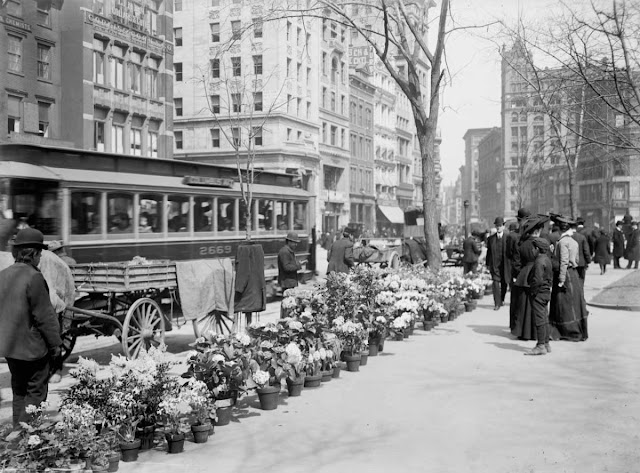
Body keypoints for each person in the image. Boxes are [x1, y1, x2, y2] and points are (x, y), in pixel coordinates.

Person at [0, 228, 62, 426]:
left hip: (10, 348)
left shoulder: (3, 275)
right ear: (34, 253)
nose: (40, 258)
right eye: (40, 254)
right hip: (33, 350)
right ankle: (27, 438)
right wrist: (56, 345)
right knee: (35, 393)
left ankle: (16, 434)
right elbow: (44, 316)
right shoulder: (34, 277)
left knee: (19, 391)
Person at [549, 217, 588, 342]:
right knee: (574, 302)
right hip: (573, 274)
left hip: (564, 274)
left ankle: (566, 330)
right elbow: (575, 260)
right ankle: (576, 329)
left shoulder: (560, 240)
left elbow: (563, 262)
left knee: (563, 303)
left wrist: (561, 278)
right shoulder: (574, 240)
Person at [511, 215, 549, 340]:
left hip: (523, 276)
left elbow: (516, 263)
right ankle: (536, 334)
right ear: (537, 231)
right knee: (536, 307)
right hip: (537, 275)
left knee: (523, 306)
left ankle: (523, 332)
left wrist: (519, 273)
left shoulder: (521, 243)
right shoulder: (542, 243)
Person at [524, 237, 553, 356]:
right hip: (546, 292)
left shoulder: (539, 262)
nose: (532, 251)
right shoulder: (546, 259)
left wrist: (533, 292)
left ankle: (540, 345)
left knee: (540, 319)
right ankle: (546, 343)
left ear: (537, 249)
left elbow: (537, 280)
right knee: (544, 317)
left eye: (533, 248)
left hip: (539, 293)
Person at [486, 217, 511, 310]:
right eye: (497, 226)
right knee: (495, 283)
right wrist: (488, 264)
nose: (498, 227)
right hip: (494, 265)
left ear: (503, 226)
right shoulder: (491, 239)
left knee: (504, 283)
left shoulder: (508, 238)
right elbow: (489, 253)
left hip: (505, 265)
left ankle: (502, 299)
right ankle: (497, 303)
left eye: (500, 226)